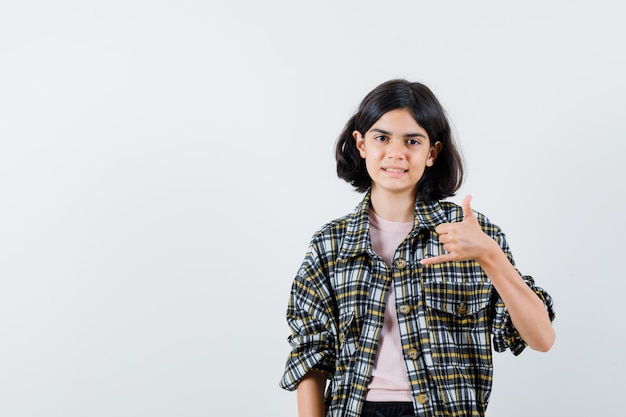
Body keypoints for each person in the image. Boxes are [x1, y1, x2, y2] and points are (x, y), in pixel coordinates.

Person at [279, 79, 555, 417]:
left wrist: (490, 255)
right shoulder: (330, 244)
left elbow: (542, 338)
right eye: (382, 138)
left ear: (432, 153)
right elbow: (311, 353)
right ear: (361, 143)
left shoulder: (471, 234)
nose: (396, 153)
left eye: (412, 141)